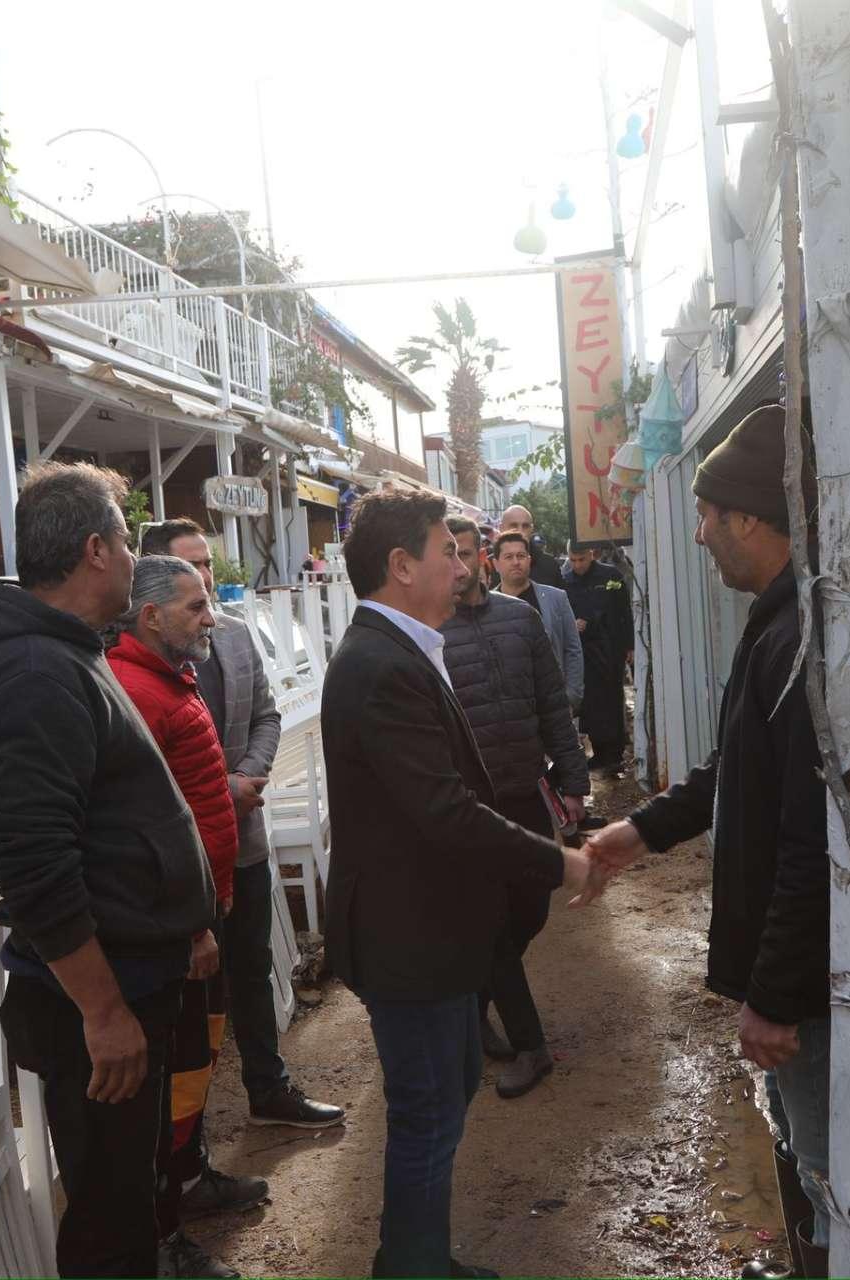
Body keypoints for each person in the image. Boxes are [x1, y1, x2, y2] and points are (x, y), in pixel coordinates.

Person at [322, 489, 599, 1279]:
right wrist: (560, 860)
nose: (465, 564)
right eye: (448, 551)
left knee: (446, 1094)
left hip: (432, 929)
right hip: (408, 936)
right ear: (402, 566)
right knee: (427, 1113)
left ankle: (415, 1258)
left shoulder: (401, 648)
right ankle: (413, 1268)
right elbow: (445, 810)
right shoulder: (380, 665)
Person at [584, 404, 831, 1277]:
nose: (697, 536)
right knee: (802, 1150)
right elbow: (737, 768)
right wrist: (638, 832)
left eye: (706, 516)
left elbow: (810, 842)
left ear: (751, 519)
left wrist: (775, 997)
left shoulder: (797, 636)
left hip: (813, 994)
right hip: (802, 984)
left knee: (830, 1175)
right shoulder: (778, 622)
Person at [0, 462, 216, 1279]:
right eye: (127, 541)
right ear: (96, 551)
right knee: (109, 1221)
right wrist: (103, 1011)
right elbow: (36, 864)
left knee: (127, 1200)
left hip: (130, 980)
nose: (138, 560)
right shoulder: (36, 672)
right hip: (95, 1004)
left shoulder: (67, 653)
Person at [139, 519, 346, 1133]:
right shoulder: (129, 662)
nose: (206, 578)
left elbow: (266, 715)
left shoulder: (231, 635)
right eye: (193, 567)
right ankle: (186, 1134)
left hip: (243, 836)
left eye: (208, 564)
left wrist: (246, 777)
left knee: (251, 968)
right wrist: (213, 791)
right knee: (188, 993)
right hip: (177, 858)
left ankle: (268, 1088)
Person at [107, 555, 267, 1278]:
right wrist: (193, 924)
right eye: (195, 606)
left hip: (204, 908)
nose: (210, 618)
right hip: (179, 925)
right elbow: (150, 828)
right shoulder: (138, 690)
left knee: (194, 1066)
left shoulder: (170, 676)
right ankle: (163, 1233)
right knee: (172, 1077)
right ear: (150, 617)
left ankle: (191, 1181)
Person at [439, 516, 590, 1099]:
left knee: (531, 910)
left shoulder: (521, 620)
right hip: (472, 806)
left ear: (483, 557)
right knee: (494, 925)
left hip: (525, 790)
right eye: (447, 555)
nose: (457, 567)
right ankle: (532, 1045)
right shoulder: (430, 632)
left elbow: (553, 706)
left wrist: (573, 781)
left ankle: (476, 1008)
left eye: (465, 553)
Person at [491, 530, 584, 712]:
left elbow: (573, 649)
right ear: (496, 564)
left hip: (554, 702)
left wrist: (572, 696)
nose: (516, 562)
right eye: (508, 557)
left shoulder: (556, 598)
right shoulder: (486, 605)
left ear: (529, 560)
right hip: (508, 708)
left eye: (521, 556)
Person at [562, 546, 633, 775]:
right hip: (582, 652)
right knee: (590, 704)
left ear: (591, 555)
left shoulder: (610, 575)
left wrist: (629, 645)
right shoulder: (566, 580)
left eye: (581, 559)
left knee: (612, 700)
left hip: (610, 648)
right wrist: (572, 624)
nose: (577, 565)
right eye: (573, 560)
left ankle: (615, 753)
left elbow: (624, 612)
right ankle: (601, 752)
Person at [498, 504, 564, 590]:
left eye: (525, 526)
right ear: (501, 528)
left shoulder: (549, 565)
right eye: (514, 525)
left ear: (531, 529)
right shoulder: (488, 566)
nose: (520, 531)